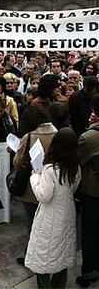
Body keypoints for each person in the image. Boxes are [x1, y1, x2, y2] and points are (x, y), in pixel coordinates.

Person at [25, 128, 81, 288]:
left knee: (43, 258)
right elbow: (74, 186)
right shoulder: (75, 165)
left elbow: (43, 196)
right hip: (67, 212)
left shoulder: (50, 169)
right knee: (61, 256)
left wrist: (35, 176)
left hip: (49, 216)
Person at [13, 105, 58, 266]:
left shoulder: (29, 137)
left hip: (33, 188)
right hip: (53, 186)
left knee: (33, 223)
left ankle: (32, 256)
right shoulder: (58, 134)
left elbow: (18, 163)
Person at [76, 94, 99, 288]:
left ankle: (90, 271)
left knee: (90, 233)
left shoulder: (90, 137)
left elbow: (79, 161)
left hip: (93, 193)